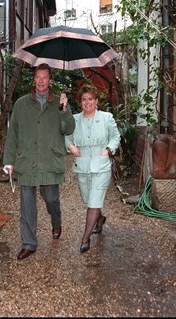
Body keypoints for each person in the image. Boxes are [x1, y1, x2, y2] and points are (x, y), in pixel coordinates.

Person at [3, 63, 76, 260]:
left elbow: (68, 129)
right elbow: (13, 135)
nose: (41, 81)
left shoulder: (58, 105)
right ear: (34, 80)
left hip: (49, 159)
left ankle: (56, 220)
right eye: (38, 77)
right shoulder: (21, 104)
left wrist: (65, 109)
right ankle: (29, 243)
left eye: (45, 77)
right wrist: (9, 160)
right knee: (27, 203)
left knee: (51, 198)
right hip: (26, 160)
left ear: (50, 80)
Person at [65, 84, 121, 253]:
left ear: (96, 101)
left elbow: (115, 136)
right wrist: (71, 147)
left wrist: (109, 150)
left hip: (101, 166)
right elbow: (67, 137)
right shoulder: (74, 120)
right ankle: (100, 218)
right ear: (80, 102)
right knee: (89, 200)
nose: (87, 102)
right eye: (84, 99)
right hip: (82, 166)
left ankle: (85, 238)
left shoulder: (106, 117)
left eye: (90, 99)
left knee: (93, 203)